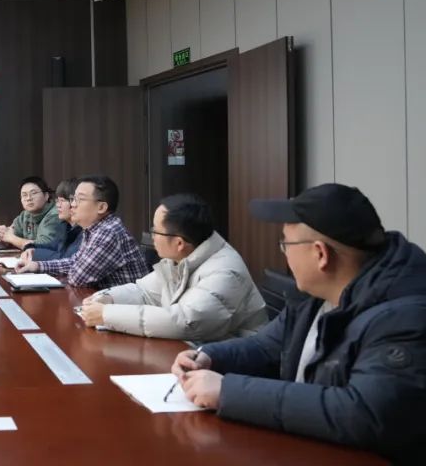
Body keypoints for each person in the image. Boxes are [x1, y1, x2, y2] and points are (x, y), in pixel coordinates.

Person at [171, 184, 426, 463]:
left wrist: (227, 392)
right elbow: (266, 346)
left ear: (320, 254)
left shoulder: (403, 315)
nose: (284, 253)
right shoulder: (315, 296)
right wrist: (208, 356)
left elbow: (363, 414)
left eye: (286, 244)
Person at [79, 193, 267, 341]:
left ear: (179, 243)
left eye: (155, 230)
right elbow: (144, 292)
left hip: (235, 362)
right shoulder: (180, 257)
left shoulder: (225, 272)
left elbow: (184, 321)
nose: (152, 236)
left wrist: (107, 314)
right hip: (196, 350)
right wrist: (106, 298)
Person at [14, 175, 148, 288]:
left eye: (80, 199)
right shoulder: (94, 229)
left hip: (121, 308)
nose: (73, 204)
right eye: (73, 199)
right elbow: (75, 261)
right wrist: (37, 266)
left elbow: (78, 277)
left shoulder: (109, 232)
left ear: (101, 207)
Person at [20, 178, 83, 263]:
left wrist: (34, 254)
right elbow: (52, 245)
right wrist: (31, 247)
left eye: (62, 201)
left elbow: (66, 259)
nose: (58, 205)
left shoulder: (84, 231)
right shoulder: (65, 226)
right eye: (57, 201)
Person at [0, 176, 66, 249]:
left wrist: (10, 238)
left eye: (33, 193)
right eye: (24, 195)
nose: (28, 198)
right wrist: (3, 233)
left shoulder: (55, 215)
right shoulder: (25, 215)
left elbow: (44, 245)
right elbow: (12, 233)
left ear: (46, 196)